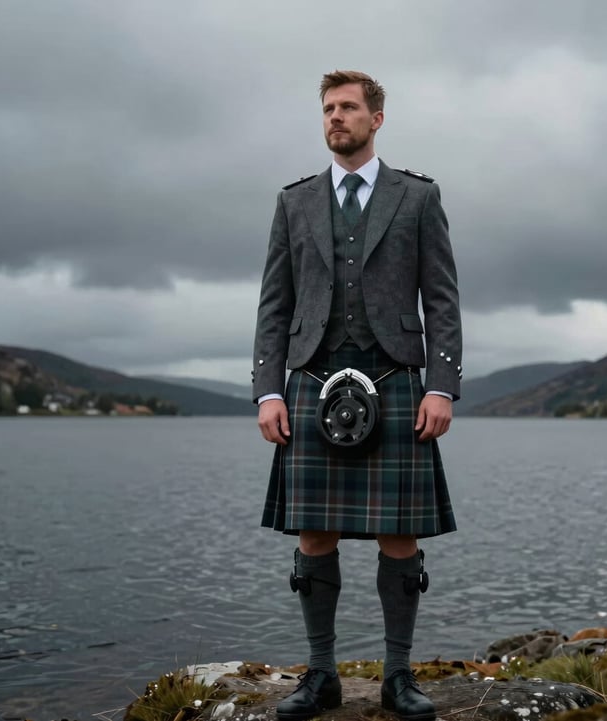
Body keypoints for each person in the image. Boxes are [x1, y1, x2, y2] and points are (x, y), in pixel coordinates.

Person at [252, 69, 462, 721]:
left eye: (347, 107)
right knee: (315, 533)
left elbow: (443, 300)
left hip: (398, 378)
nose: (335, 117)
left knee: (398, 534)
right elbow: (274, 303)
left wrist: (442, 386)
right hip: (311, 380)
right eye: (327, 109)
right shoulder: (294, 201)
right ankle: (322, 675)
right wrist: (267, 390)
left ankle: (399, 676)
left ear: (376, 118)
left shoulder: (417, 197)